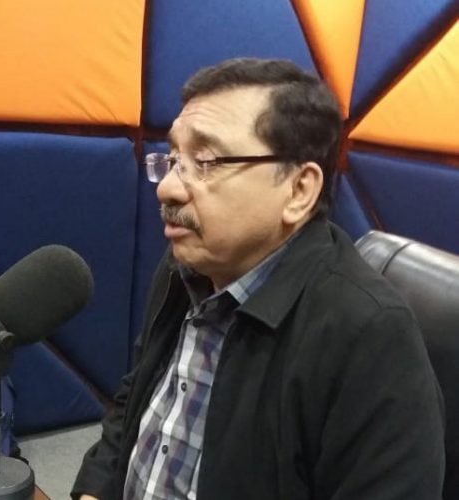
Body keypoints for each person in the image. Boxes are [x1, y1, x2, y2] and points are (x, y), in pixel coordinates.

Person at [72, 58, 445, 500]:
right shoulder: (185, 268)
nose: (167, 187)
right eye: (173, 159)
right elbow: (135, 401)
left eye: (205, 161)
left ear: (298, 190)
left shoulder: (369, 335)